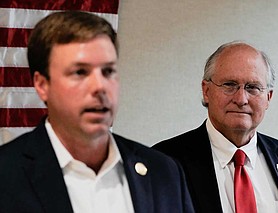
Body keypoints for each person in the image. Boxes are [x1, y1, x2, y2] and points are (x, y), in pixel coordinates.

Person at [0, 11, 194, 213]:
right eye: (80, 72)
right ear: (42, 85)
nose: (100, 86)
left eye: (108, 71)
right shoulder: (6, 175)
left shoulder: (162, 171)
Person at [153, 41, 278, 213]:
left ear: (268, 97)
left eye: (252, 87)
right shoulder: (164, 162)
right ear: (206, 91)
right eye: (229, 85)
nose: (241, 99)